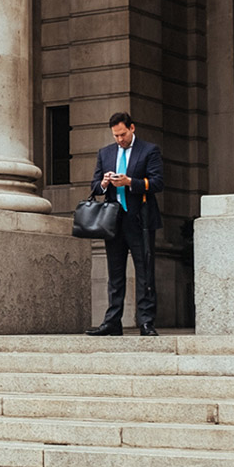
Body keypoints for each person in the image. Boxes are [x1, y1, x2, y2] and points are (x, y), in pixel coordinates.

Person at [86, 112, 164, 336]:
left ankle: (146, 321)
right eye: (115, 136)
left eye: (122, 134)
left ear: (132, 128)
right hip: (113, 220)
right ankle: (112, 321)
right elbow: (95, 185)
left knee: (144, 272)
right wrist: (103, 182)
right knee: (115, 273)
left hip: (140, 220)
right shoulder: (105, 153)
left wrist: (130, 182)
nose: (119, 139)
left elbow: (157, 182)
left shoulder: (149, 150)